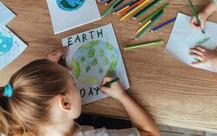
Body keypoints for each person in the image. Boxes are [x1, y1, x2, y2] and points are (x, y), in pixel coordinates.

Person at [0, 48, 160, 136]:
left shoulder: (17, 123)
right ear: (65, 103)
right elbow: (150, 133)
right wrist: (121, 96)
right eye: (74, 84)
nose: (76, 83)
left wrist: (49, 70)